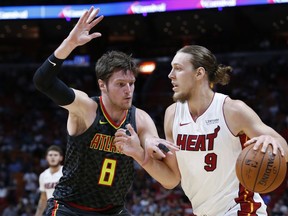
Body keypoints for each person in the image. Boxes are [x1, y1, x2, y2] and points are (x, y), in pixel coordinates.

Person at [33, 6, 178, 216]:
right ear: (103, 85)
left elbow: (170, 181)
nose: (128, 91)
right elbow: (42, 81)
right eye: (120, 84)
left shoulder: (140, 119)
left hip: (113, 211)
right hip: (69, 208)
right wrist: (70, 44)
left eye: (131, 83)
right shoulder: (85, 108)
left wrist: (142, 151)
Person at [114, 45, 288, 216]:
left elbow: (283, 148)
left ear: (199, 73)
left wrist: (273, 142)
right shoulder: (172, 114)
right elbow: (172, 179)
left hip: (240, 209)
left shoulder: (232, 110)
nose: (170, 75)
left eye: (178, 69)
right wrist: (139, 154)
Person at [35, 145, 63, 216]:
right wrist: (38, 214)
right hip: (51, 210)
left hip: (65, 209)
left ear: (61, 158)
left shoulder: (65, 172)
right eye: (50, 155)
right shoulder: (43, 175)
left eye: (55, 155)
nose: (52, 157)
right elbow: (43, 198)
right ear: (46, 158)